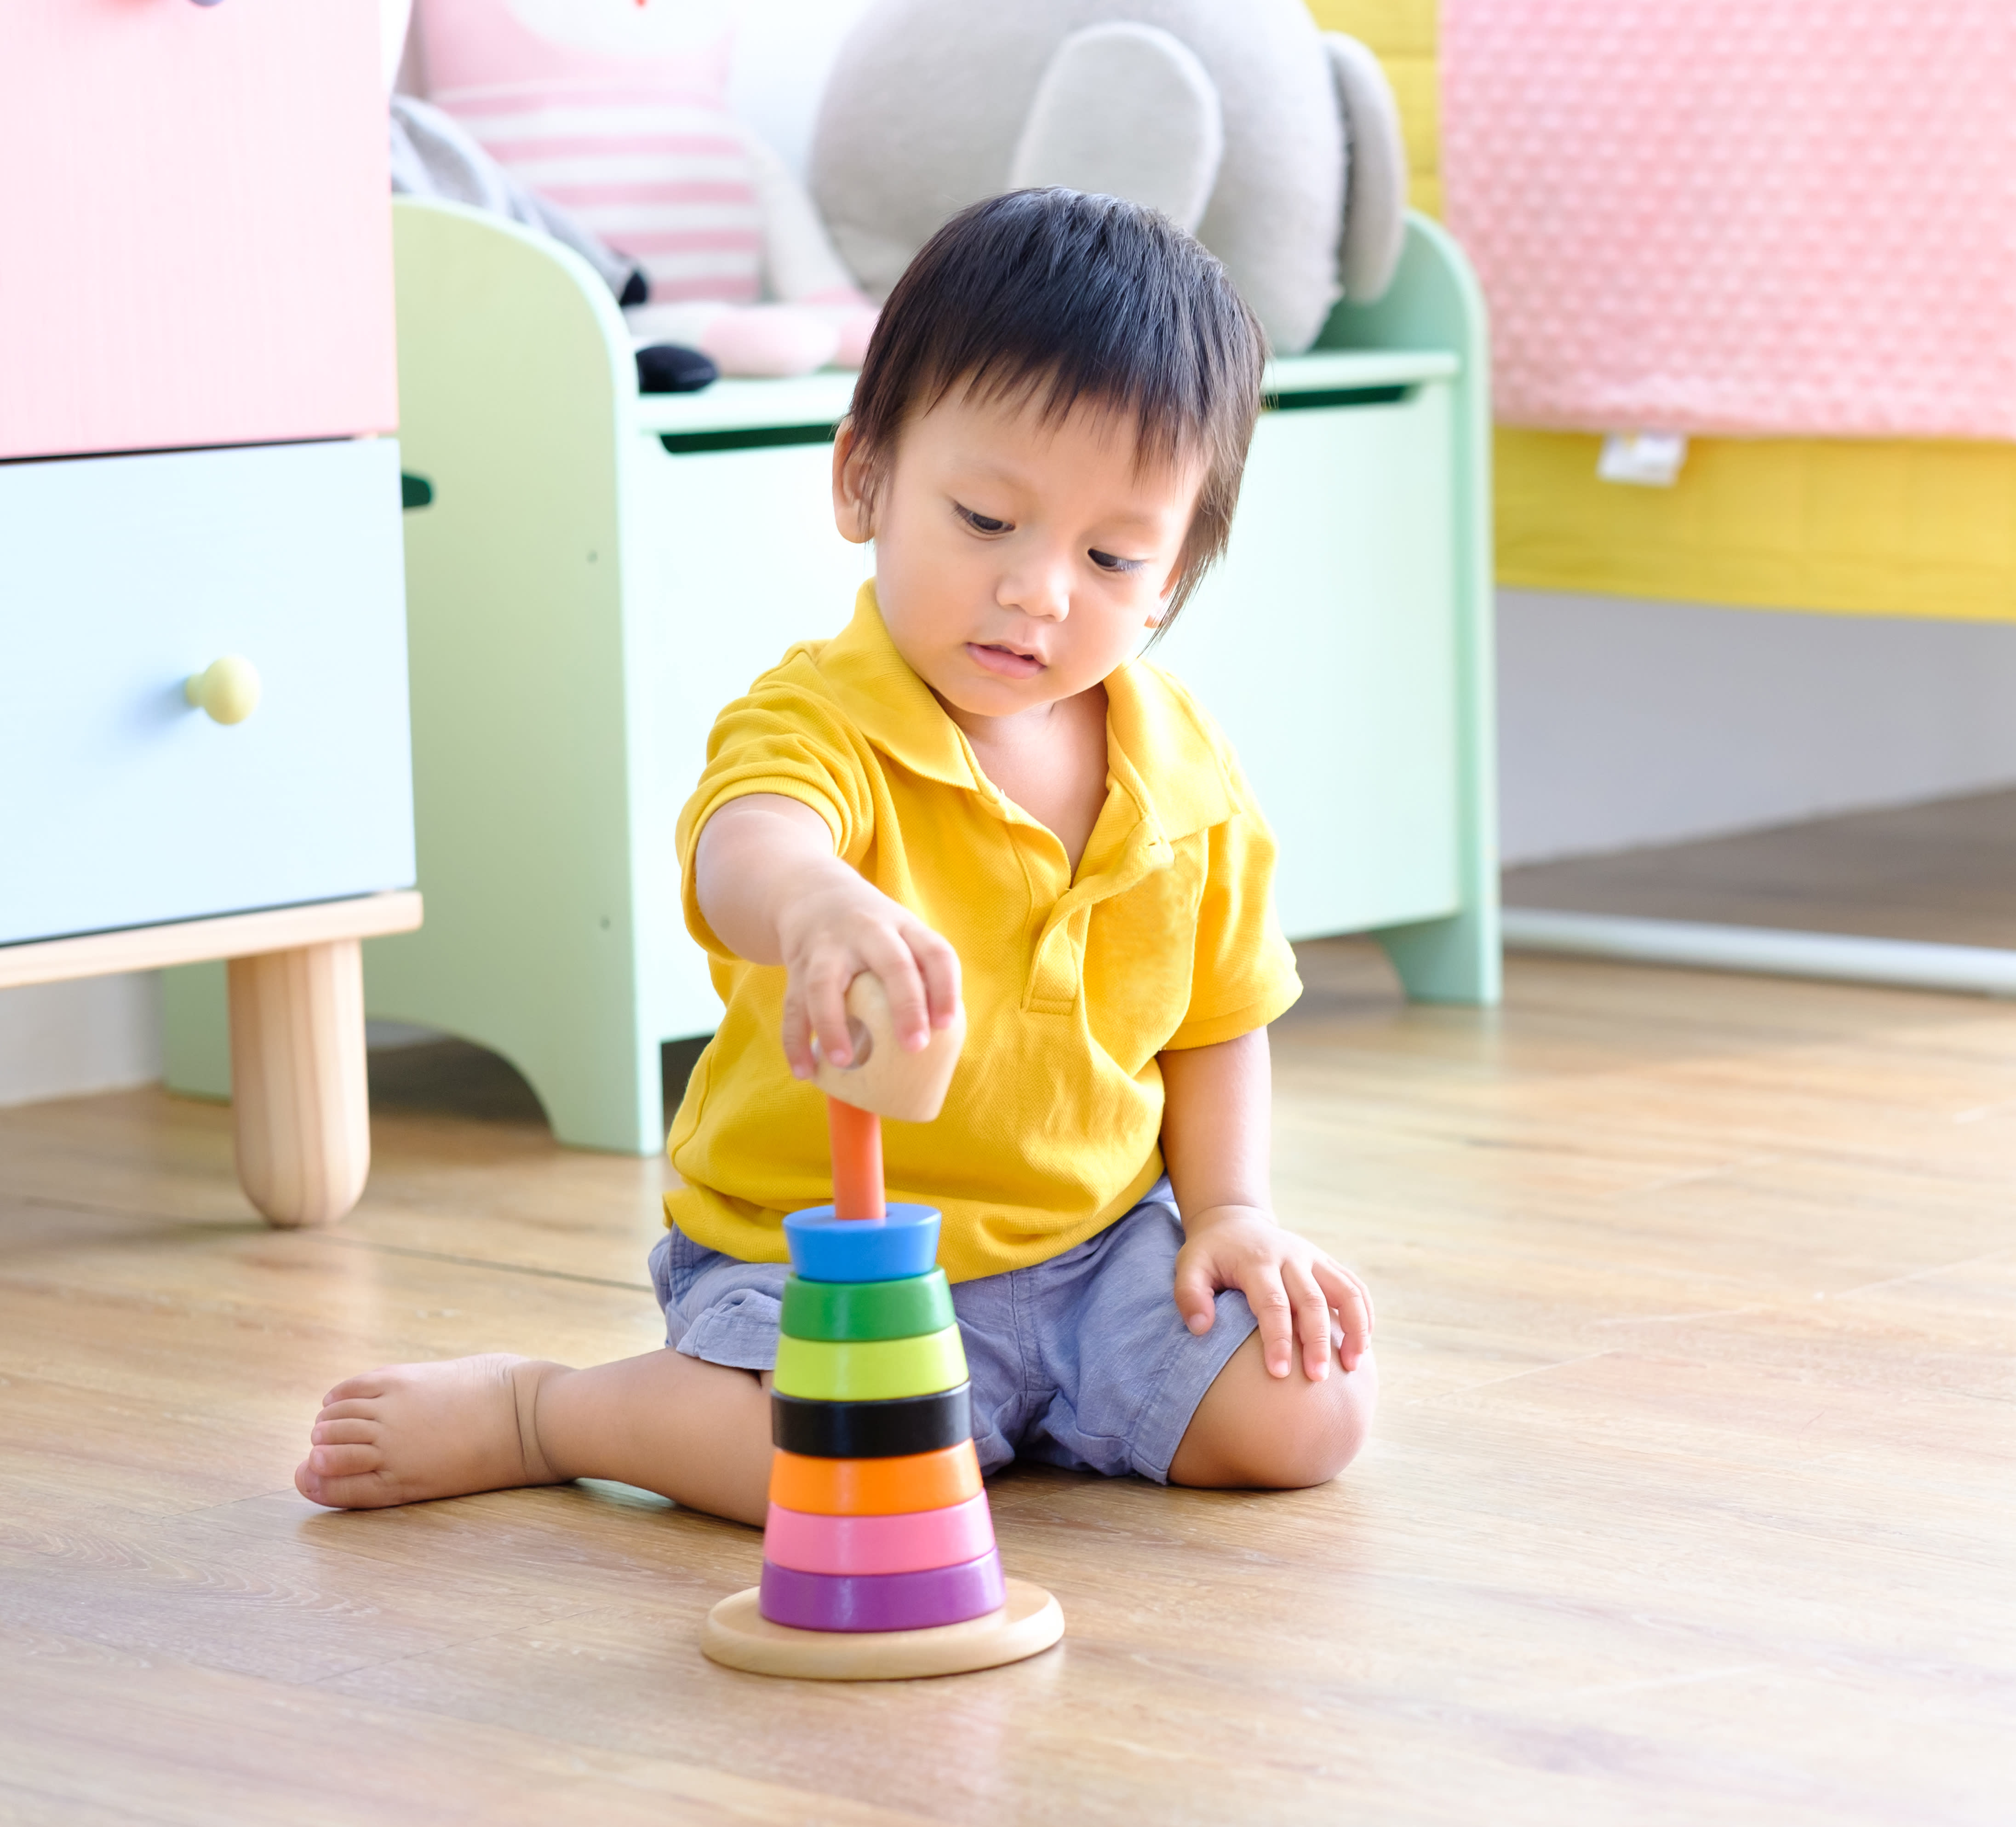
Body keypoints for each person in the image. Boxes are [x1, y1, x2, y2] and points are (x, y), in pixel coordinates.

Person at [295, 190, 1375, 1523]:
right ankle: (548, 1407)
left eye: (1111, 556)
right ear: (865, 478)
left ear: (1176, 576)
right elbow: (744, 844)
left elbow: (1217, 1024)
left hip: (1093, 1259)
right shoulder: (824, 718)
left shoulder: (1185, 770)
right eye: (987, 520)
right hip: (821, 1264)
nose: (1040, 590)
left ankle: (1013, 1418)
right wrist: (814, 903)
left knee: (1310, 1411)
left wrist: (1231, 1215)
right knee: (819, 1468)